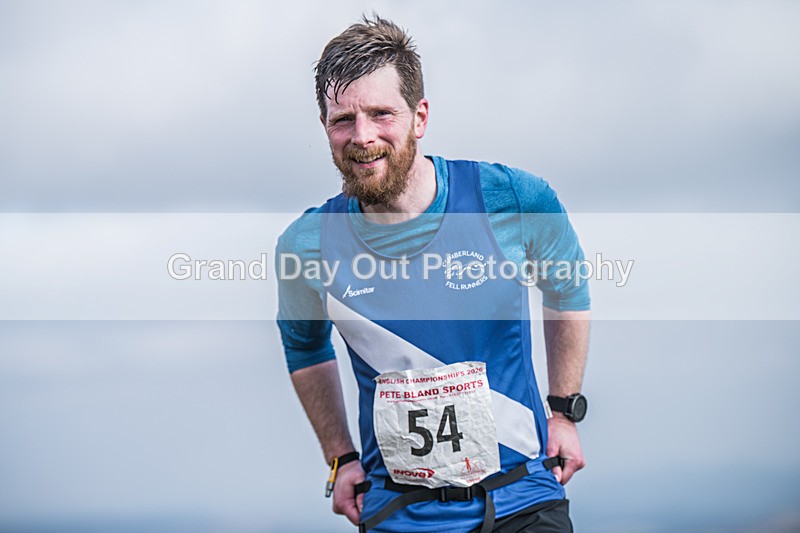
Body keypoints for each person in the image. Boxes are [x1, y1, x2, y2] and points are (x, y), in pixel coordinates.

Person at [276, 15, 590, 533]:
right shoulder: (306, 245)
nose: (363, 137)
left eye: (382, 114)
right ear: (325, 127)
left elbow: (567, 288)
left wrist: (563, 411)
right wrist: (339, 456)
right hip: (400, 513)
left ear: (419, 116)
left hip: (522, 501)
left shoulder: (510, 198)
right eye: (343, 120)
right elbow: (305, 348)